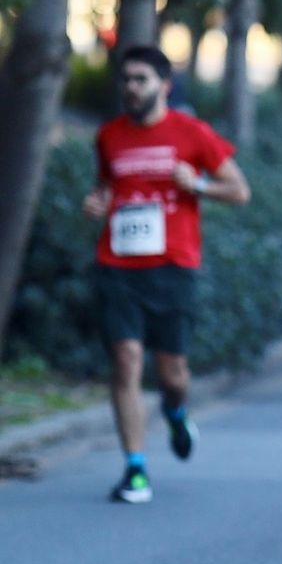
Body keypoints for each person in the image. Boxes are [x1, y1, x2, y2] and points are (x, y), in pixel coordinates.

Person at [82, 45, 252, 504]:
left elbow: (239, 191)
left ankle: (176, 411)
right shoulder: (109, 136)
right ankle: (135, 469)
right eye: (126, 80)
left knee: (173, 374)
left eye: (140, 79)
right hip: (117, 265)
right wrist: (96, 202)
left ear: (164, 85)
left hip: (173, 267)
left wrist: (195, 184)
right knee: (125, 361)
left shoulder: (191, 132)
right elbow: (104, 188)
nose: (131, 88)